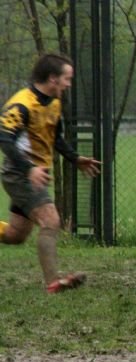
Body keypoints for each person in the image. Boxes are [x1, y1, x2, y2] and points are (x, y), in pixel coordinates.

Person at [0, 53, 101, 293]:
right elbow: (4, 139)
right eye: (67, 79)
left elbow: (55, 137)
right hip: (19, 173)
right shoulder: (21, 104)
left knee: (16, 235)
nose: (69, 84)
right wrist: (29, 169)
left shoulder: (54, 103)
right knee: (51, 221)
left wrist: (75, 158)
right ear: (53, 79)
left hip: (34, 174)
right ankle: (53, 282)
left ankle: (53, 281)